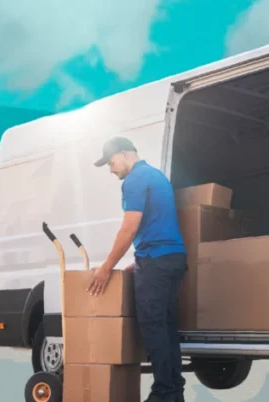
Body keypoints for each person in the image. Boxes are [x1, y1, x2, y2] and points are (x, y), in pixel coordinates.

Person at [86, 136, 188, 402]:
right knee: (165, 326)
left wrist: (107, 267)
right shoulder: (156, 176)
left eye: (111, 162)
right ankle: (174, 393)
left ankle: (163, 394)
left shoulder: (133, 181)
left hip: (156, 261)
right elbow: (157, 224)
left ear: (124, 154)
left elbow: (130, 227)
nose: (111, 169)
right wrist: (139, 258)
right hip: (172, 258)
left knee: (153, 326)